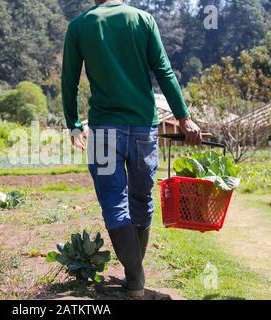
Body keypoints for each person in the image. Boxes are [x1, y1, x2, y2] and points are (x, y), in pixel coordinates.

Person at [61, 0, 202, 298]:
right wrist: (183, 118)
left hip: (103, 130)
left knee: (114, 202)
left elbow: (69, 79)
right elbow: (164, 70)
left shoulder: (79, 26)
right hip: (143, 127)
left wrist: (73, 123)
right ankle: (134, 277)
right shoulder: (143, 20)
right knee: (141, 199)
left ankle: (135, 277)